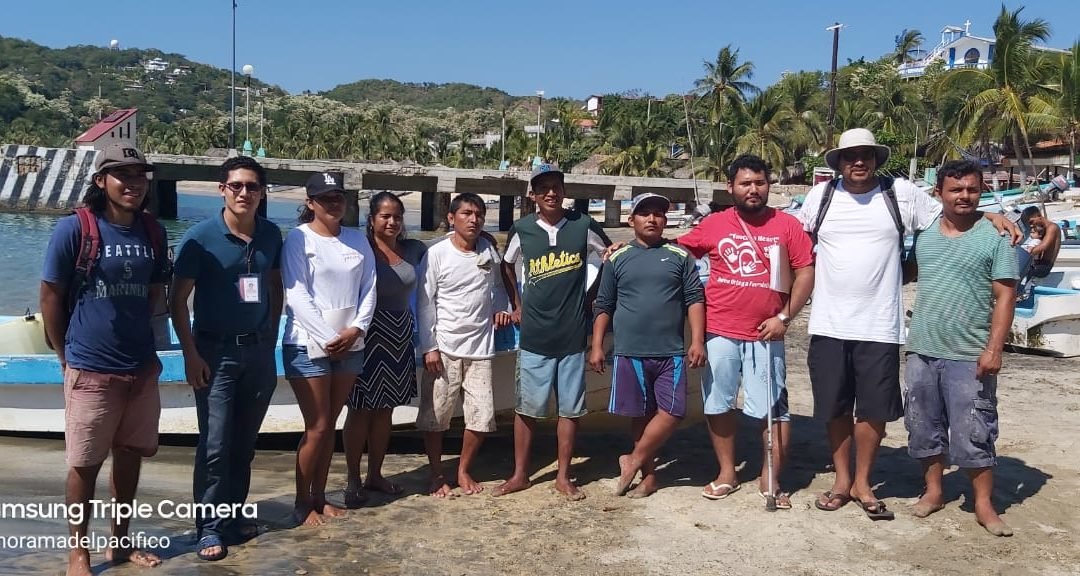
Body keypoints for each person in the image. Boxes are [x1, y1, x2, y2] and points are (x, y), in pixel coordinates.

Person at [797, 128, 1018, 520]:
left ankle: (864, 482)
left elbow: (954, 209)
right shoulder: (821, 196)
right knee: (834, 409)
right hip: (828, 323)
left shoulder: (901, 193)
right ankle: (842, 481)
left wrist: (993, 215)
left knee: (873, 411)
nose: (858, 161)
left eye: (866, 154)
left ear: (877, 158)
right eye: (850, 156)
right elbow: (795, 244)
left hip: (880, 325)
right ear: (839, 162)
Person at [41, 144, 168, 575]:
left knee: (130, 455)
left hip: (140, 367)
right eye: (122, 175)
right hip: (90, 367)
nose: (133, 183)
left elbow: (155, 292)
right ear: (101, 181)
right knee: (84, 464)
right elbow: (51, 297)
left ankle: (120, 542)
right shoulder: (74, 229)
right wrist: (66, 355)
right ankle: (78, 551)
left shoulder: (152, 231)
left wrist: (150, 352)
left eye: (139, 175)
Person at [678, 154, 815, 508]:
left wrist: (784, 318)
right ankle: (727, 472)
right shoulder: (714, 223)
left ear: (768, 185)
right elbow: (677, 251)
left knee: (774, 407)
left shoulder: (787, 225)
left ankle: (770, 475)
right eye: (745, 183)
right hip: (719, 330)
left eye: (759, 182)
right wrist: (627, 247)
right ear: (731, 188)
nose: (753, 190)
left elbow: (806, 273)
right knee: (718, 402)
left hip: (767, 333)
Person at [170, 156, 284, 561]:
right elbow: (177, 301)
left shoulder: (271, 235)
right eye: (236, 186)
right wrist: (190, 353)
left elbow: (274, 286)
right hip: (213, 352)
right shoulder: (200, 238)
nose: (244, 193)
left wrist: (269, 337)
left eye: (252, 187)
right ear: (222, 189)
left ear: (262, 192)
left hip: (257, 351)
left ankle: (233, 516)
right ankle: (209, 528)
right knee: (215, 444)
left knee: (244, 444)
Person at [904, 160, 1017, 536]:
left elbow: (1005, 296)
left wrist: (994, 349)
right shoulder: (925, 236)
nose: (964, 196)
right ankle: (934, 491)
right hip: (921, 347)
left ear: (980, 191)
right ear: (939, 193)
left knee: (975, 431)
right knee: (923, 428)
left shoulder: (995, 237)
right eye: (955, 189)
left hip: (970, 352)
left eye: (972, 189)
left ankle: (983, 503)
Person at [495, 164, 611, 500]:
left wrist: (592, 298)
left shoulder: (583, 225)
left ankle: (563, 475)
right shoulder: (522, 228)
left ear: (564, 191)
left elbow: (608, 255)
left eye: (556, 187)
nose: (550, 193)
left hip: (573, 336)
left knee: (570, 410)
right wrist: (516, 304)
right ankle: (520, 474)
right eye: (543, 187)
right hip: (533, 337)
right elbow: (506, 263)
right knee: (526, 409)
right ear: (532, 194)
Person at [588, 193, 706, 498]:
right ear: (632, 221)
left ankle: (633, 459)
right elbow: (605, 304)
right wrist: (598, 345)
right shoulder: (617, 258)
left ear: (665, 221)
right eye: (645, 214)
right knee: (640, 415)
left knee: (673, 410)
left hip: (671, 350)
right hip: (630, 350)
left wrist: (698, 340)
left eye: (658, 214)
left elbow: (694, 299)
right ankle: (649, 476)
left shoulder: (679, 256)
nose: (652, 219)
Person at [281, 172, 377, 525]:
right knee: (317, 426)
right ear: (310, 203)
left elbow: (369, 287)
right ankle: (301, 501)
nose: (334, 203)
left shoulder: (357, 240)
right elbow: (297, 294)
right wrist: (328, 337)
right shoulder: (297, 239)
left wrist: (356, 329)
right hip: (307, 343)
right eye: (325, 198)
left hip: (351, 343)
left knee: (330, 423)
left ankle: (320, 496)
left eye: (338, 196)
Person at [416, 193, 513, 497]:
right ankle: (436, 473)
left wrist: (502, 307)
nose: (474, 219)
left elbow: (498, 286)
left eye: (479, 214)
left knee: (482, 417)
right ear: (451, 218)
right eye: (467, 213)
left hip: (481, 349)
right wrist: (428, 347)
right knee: (436, 418)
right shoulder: (436, 254)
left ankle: (463, 469)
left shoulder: (487, 250)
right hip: (444, 347)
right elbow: (423, 303)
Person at [342, 192, 426, 507]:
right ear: (372, 219)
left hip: (400, 335)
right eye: (385, 216)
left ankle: (375, 474)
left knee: (386, 410)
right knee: (360, 409)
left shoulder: (415, 249)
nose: (392, 222)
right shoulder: (360, 250)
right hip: (366, 335)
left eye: (397, 217)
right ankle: (352, 479)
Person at [1017, 206, 1061, 300]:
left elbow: (1043, 247)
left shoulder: (1052, 227)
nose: (1031, 226)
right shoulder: (1043, 229)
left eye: (1032, 222)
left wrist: (1025, 254)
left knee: (1018, 271)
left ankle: (1018, 295)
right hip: (1038, 264)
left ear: (1039, 216)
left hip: (1044, 266)